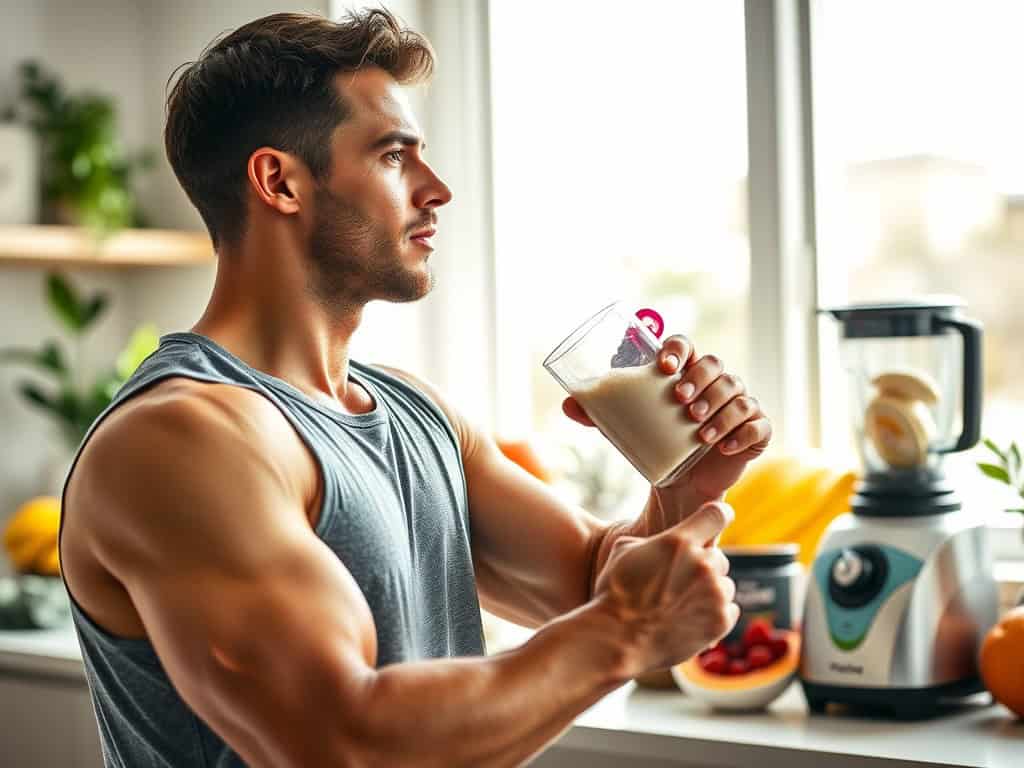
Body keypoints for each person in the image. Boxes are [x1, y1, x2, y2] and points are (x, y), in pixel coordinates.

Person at [59, 8, 771, 767]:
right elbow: (341, 743)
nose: (437, 190)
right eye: (395, 156)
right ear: (279, 182)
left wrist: (682, 486)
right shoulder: (176, 443)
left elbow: (597, 581)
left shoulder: (413, 411)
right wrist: (624, 631)